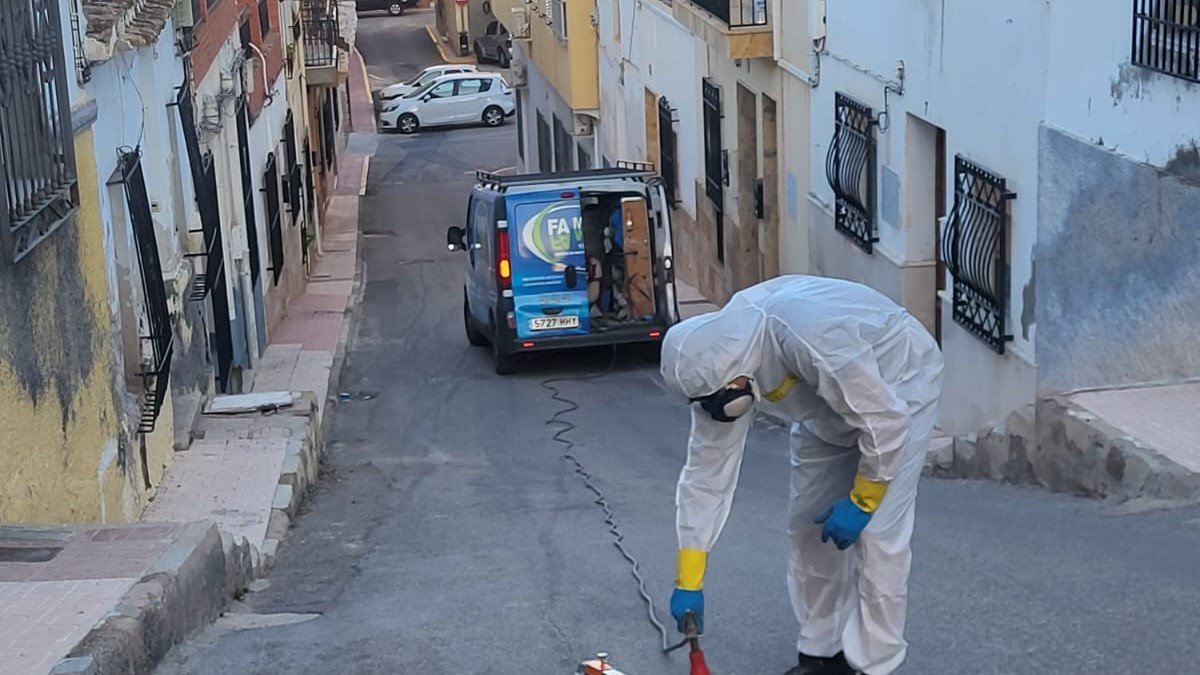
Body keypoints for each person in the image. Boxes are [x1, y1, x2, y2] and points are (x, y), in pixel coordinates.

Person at [661, 276, 943, 675]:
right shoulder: (716, 378)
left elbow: (884, 421)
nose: (719, 410)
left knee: (878, 535)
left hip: (899, 389)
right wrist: (689, 579)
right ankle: (821, 653)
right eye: (707, 403)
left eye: (721, 399)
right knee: (807, 527)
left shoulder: (806, 332)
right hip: (824, 414)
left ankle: (874, 662)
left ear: (735, 367)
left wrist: (863, 501)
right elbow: (705, 480)